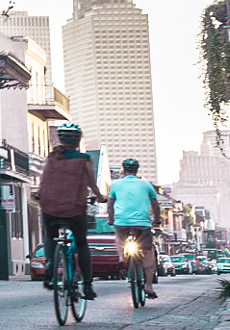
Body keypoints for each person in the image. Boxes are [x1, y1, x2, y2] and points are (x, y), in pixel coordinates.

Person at [34, 123, 103, 299]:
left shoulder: (51, 157)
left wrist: (40, 194)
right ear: (78, 139)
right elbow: (91, 183)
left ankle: (50, 264)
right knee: (81, 243)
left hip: (50, 207)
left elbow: (43, 182)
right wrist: (101, 197)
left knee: (50, 235)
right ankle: (87, 285)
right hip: (74, 208)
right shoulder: (85, 159)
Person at [107, 157, 162, 299]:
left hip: (122, 222)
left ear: (123, 170)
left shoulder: (116, 185)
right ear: (137, 170)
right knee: (148, 255)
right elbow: (155, 205)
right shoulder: (146, 185)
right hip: (142, 223)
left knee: (119, 236)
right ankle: (149, 287)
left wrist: (111, 219)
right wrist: (157, 219)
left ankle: (121, 257)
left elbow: (110, 204)